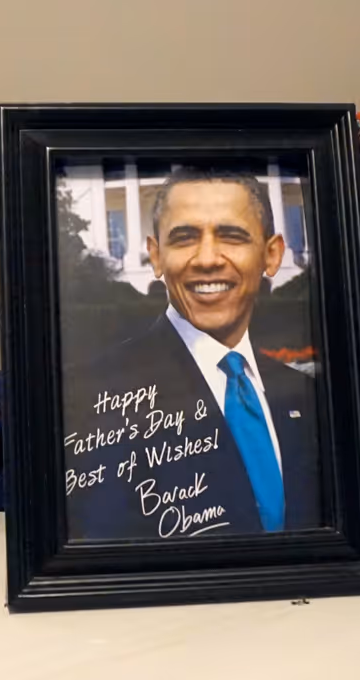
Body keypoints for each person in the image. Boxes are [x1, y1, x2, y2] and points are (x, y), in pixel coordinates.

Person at [62, 168, 320, 540]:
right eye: (184, 238)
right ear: (156, 256)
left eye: (231, 236)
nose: (207, 259)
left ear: (272, 254)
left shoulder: (305, 395)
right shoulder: (92, 397)